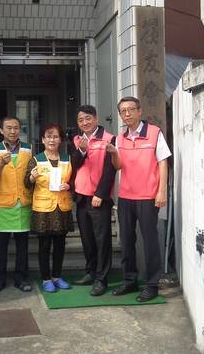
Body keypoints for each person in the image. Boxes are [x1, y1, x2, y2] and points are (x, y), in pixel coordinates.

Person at [106, 97, 171, 302]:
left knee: (150, 241)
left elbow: (163, 162)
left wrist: (162, 191)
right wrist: (113, 153)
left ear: (139, 111)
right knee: (126, 241)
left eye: (131, 109)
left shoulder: (154, 132)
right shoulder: (119, 138)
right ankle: (130, 280)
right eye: (123, 111)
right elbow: (118, 166)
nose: (127, 114)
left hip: (148, 195)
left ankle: (152, 284)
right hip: (125, 196)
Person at [69, 105, 116, 296]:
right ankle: (90, 272)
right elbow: (74, 165)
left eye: (88, 118)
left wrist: (101, 194)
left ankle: (101, 279)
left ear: (96, 119)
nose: (84, 123)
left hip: (99, 198)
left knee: (102, 239)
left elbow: (110, 169)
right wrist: (81, 151)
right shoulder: (77, 140)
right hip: (81, 197)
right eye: (80, 120)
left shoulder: (109, 139)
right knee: (87, 238)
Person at [25, 123, 74, 293]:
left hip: (62, 207)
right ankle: (46, 279)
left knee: (60, 245)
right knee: (44, 245)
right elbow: (26, 183)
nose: (52, 140)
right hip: (43, 209)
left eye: (55, 136)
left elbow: (74, 180)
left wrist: (69, 186)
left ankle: (57, 277)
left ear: (60, 140)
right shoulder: (36, 159)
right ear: (43, 139)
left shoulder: (67, 159)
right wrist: (31, 178)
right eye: (48, 136)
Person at [0, 116, 33, 293]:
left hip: (23, 201)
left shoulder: (28, 148)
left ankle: (21, 278)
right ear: (1, 130)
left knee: (23, 246)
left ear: (20, 130)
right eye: (8, 128)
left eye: (16, 128)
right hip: (3, 203)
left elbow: (31, 173)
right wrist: (0, 163)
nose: (13, 131)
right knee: (1, 246)